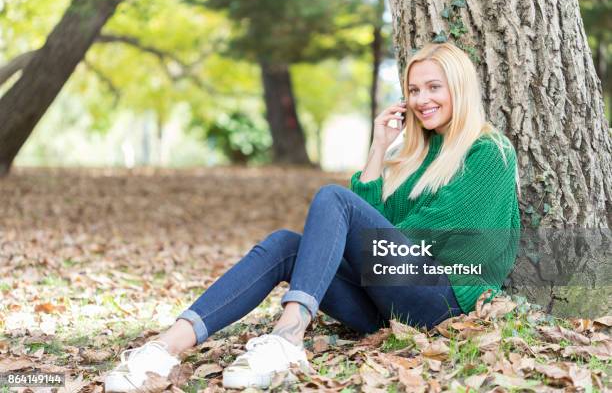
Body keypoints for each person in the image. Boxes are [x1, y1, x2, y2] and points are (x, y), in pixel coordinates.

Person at [104, 42, 520, 391]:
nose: (421, 99)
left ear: (460, 89)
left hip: (440, 301)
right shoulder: (419, 154)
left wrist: (347, 242)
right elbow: (381, 223)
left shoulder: (488, 153)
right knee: (287, 244)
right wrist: (379, 149)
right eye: (413, 90)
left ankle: (288, 336)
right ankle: (164, 348)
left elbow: (420, 233)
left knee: (334, 200)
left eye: (434, 87)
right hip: (385, 301)